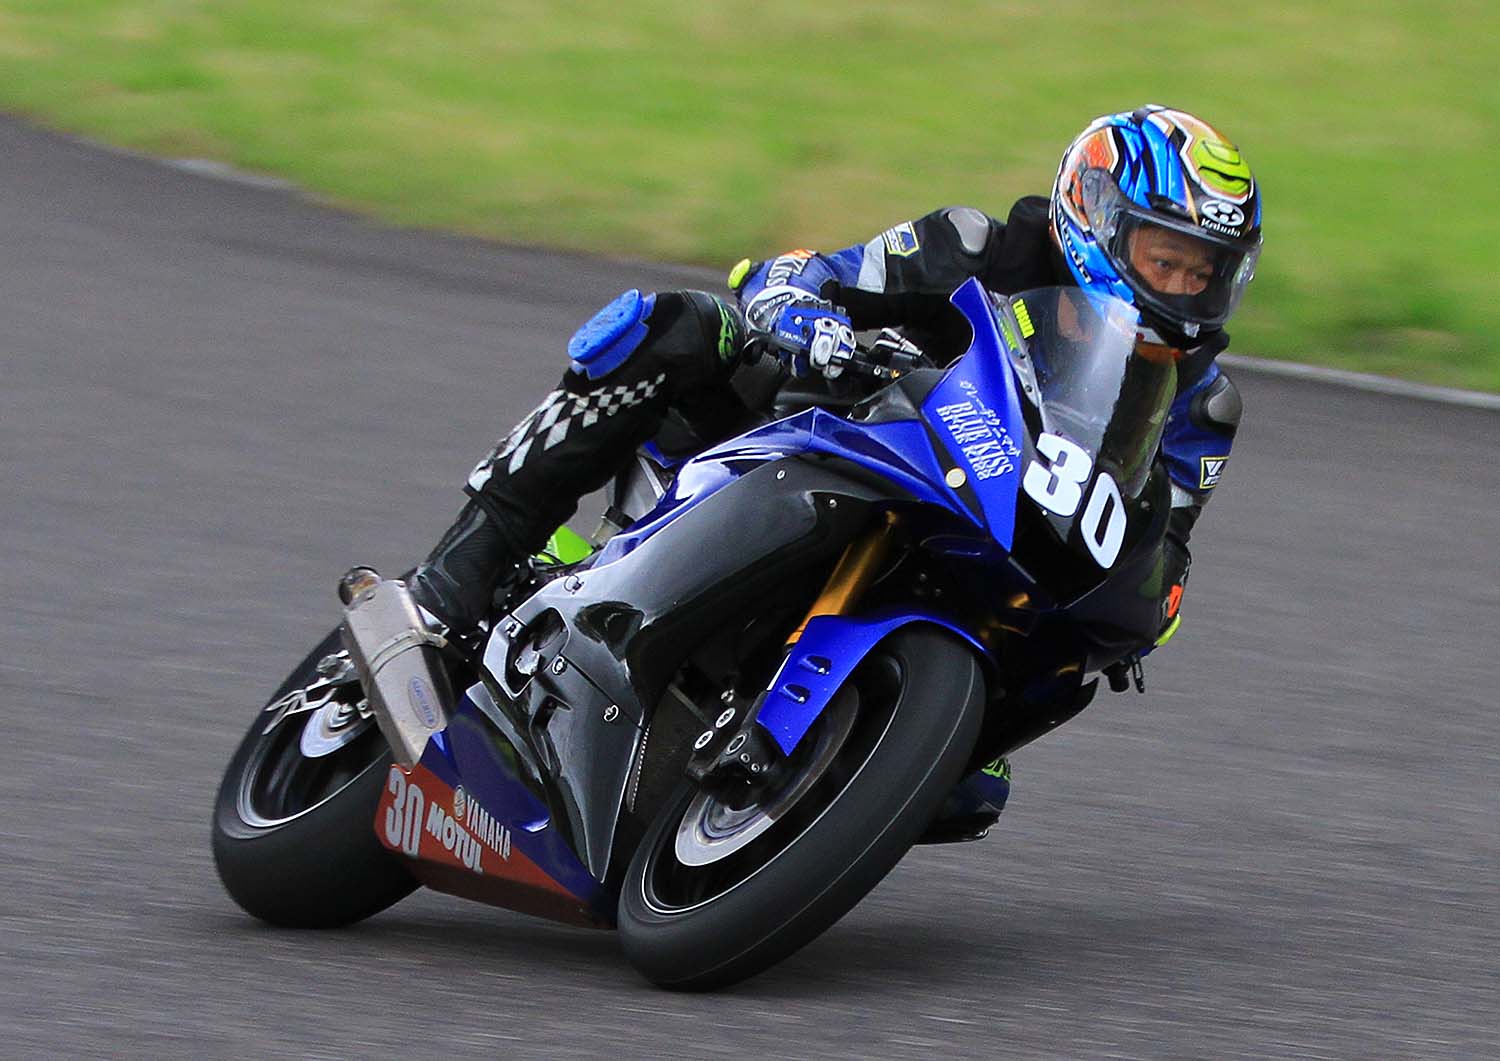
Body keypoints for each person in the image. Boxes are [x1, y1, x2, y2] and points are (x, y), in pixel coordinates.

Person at [404, 105, 1262, 654]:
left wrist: (1154, 599)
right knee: (677, 326)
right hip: (838, 442)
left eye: (1205, 272)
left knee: (977, 782)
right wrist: (804, 315)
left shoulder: (1200, 404)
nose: (1183, 288)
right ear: (1096, 215)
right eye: (1166, 258)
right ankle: (454, 581)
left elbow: (1165, 549)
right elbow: (805, 273)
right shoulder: (977, 248)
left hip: (996, 572)